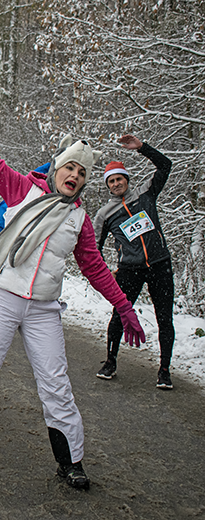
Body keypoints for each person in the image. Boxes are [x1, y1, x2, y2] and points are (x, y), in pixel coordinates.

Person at [0, 86, 145, 490]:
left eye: (82, 173)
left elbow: (95, 268)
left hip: (44, 309)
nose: (75, 176)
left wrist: (124, 308)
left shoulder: (79, 220)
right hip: (3, 299)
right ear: (57, 168)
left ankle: (71, 462)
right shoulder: (21, 190)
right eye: (70, 168)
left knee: (56, 384)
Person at [93, 135, 174, 388]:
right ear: (108, 186)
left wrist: (142, 148)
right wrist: (104, 272)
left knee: (165, 319)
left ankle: (164, 370)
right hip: (130, 270)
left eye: (120, 179)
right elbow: (93, 248)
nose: (117, 184)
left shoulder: (146, 194)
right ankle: (110, 362)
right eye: (112, 181)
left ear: (127, 180)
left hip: (160, 264)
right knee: (119, 314)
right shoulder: (104, 214)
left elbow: (165, 166)